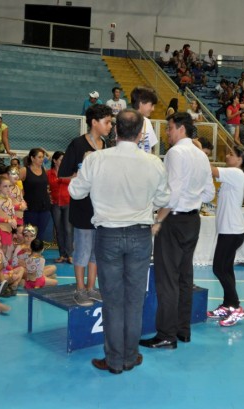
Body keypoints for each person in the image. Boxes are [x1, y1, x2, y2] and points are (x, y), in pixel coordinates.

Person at [69, 109, 170, 372]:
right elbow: (164, 199)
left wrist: (83, 168)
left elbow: (75, 192)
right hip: (140, 234)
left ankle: (114, 360)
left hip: (108, 235)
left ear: (115, 131)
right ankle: (130, 356)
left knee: (113, 301)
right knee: (134, 300)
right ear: (141, 133)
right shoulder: (154, 163)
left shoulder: (95, 159)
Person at [140, 112, 215, 350]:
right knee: (184, 277)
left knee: (167, 280)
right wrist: (192, 198)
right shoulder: (201, 155)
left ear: (181, 128)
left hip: (173, 221)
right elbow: (209, 194)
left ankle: (166, 335)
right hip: (192, 220)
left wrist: (158, 219)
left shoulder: (175, 153)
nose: (167, 133)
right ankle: (183, 330)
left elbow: (171, 194)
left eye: (170, 128)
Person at [59, 104, 113, 306]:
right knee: (82, 249)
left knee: (96, 251)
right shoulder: (77, 144)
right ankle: (80, 290)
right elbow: (63, 175)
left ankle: (91, 287)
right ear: (94, 122)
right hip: (82, 206)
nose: (110, 126)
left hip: (101, 208)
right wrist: (83, 172)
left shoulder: (105, 145)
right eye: (107, 122)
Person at [206, 145, 244, 327]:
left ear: (240, 160)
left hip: (232, 231)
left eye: (231, 154)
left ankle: (237, 307)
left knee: (219, 269)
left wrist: (198, 151)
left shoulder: (236, 173)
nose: (227, 156)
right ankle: (228, 305)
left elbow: (210, 170)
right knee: (226, 269)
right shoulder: (232, 175)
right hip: (229, 230)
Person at [19, 148, 51, 241]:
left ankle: (38, 249)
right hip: (30, 207)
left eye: (42, 157)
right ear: (32, 158)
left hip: (44, 206)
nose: (42, 159)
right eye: (39, 157)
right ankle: (29, 249)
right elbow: (14, 184)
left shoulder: (44, 169)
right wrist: (20, 197)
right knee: (30, 233)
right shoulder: (24, 170)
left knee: (41, 233)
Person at [47, 151, 73, 263]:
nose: (63, 161)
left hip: (68, 202)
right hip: (55, 204)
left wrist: (61, 179)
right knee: (58, 230)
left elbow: (73, 181)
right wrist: (48, 197)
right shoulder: (48, 173)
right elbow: (45, 187)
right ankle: (62, 255)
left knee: (68, 229)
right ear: (55, 160)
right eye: (61, 159)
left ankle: (70, 255)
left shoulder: (69, 172)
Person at [130, 87, 159, 154]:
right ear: (141, 103)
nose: (153, 109)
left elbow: (151, 148)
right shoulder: (125, 122)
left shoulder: (147, 122)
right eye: (151, 105)